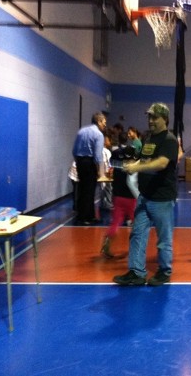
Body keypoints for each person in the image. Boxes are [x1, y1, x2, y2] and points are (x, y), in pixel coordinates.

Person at [113, 102, 179, 286]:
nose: (150, 120)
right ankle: (137, 272)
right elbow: (144, 159)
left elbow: (161, 164)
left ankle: (164, 271)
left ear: (164, 119)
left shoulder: (169, 140)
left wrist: (137, 167)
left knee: (163, 239)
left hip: (162, 198)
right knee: (137, 233)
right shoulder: (149, 138)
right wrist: (131, 163)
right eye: (149, 117)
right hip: (144, 196)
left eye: (154, 117)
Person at [101, 133, 138, 258]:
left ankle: (108, 241)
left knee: (116, 222)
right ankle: (136, 248)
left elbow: (110, 174)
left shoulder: (117, 165)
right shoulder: (134, 168)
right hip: (131, 198)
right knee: (136, 222)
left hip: (118, 197)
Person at [72, 112, 107, 225]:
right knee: (89, 191)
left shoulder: (81, 131)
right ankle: (86, 218)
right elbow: (97, 155)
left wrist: (78, 163)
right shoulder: (99, 134)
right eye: (104, 122)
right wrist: (99, 171)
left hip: (80, 162)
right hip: (90, 163)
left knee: (82, 189)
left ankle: (85, 215)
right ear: (99, 121)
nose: (105, 125)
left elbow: (74, 150)